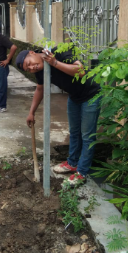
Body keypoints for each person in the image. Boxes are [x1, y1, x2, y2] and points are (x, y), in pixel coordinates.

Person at [16, 46, 101, 186]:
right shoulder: (39, 70)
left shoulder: (59, 51)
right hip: (74, 97)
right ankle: (72, 163)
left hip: (91, 95)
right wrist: (31, 112)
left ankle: (82, 172)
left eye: (29, 63)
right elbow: (40, 89)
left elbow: (81, 72)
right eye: (28, 69)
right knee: (74, 132)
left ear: (32, 53)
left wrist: (55, 62)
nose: (32, 68)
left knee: (87, 136)